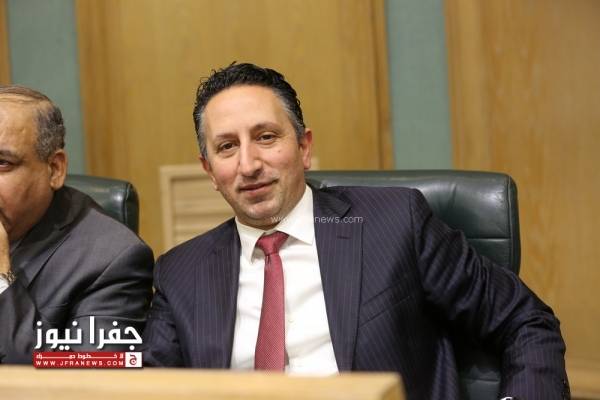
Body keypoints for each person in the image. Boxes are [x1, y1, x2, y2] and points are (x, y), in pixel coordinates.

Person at [142, 63, 569, 399]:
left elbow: (524, 320)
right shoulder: (181, 274)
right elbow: (143, 387)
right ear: (209, 171)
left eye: (266, 137)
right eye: (227, 147)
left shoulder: (394, 223)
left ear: (304, 148)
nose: (249, 164)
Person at [0, 85, 153, 363]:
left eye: (3, 163)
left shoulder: (112, 260)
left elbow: (86, 380)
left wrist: (2, 280)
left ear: (55, 169)